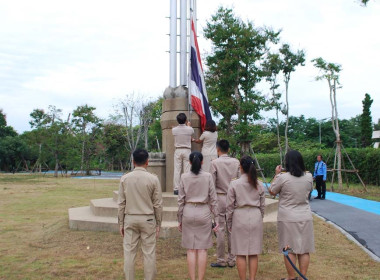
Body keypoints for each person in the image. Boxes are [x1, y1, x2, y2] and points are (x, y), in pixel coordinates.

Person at [269, 150, 315, 280]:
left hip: (287, 216)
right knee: (304, 248)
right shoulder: (308, 176)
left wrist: (276, 175)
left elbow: (272, 191)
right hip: (305, 215)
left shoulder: (282, 178)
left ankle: (291, 277)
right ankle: (302, 277)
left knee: (289, 248)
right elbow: (310, 190)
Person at [118, 149, 163, 280]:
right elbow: (158, 204)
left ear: (133, 162)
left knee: (129, 254)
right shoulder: (153, 179)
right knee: (149, 253)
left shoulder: (125, 179)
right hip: (148, 219)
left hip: (130, 219)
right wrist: (158, 223)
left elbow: (121, 203)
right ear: (147, 162)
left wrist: (121, 222)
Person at [177, 151, 219, 280]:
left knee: (190, 249)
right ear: (202, 162)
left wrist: (179, 219)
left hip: (188, 211)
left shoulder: (184, 177)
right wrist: (216, 218)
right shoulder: (207, 177)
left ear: (189, 162)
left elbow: (180, 200)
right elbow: (213, 198)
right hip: (204, 212)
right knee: (202, 249)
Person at [226, 156, 265, 280]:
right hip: (255, 215)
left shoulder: (234, 183)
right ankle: (252, 278)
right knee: (253, 252)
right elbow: (262, 205)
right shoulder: (259, 183)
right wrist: (260, 218)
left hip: (240, 217)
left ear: (241, 167)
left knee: (240, 252)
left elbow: (229, 206)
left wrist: (229, 222)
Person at [210, 140, 240, 268]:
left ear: (217, 149)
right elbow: (240, 181)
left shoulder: (214, 163)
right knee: (232, 228)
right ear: (228, 149)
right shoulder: (236, 162)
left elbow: (211, 183)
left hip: (220, 197)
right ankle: (232, 259)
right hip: (233, 197)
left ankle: (221, 259)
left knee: (220, 228)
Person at [172, 112, 194, 195]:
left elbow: (174, 131)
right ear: (185, 120)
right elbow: (191, 131)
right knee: (187, 170)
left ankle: (176, 189)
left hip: (178, 150)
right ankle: (186, 187)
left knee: (177, 170)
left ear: (177, 120)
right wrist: (188, 125)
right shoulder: (190, 129)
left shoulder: (174, 130)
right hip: (187, 150)